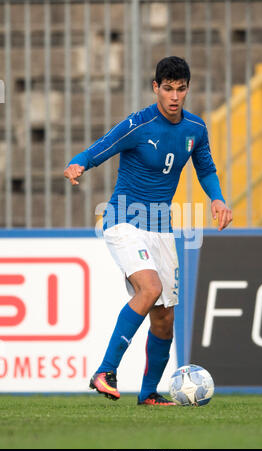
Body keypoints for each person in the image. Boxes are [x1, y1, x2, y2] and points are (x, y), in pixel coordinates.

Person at [64, 56, 232, 406]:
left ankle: (148, 394)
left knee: (164, 320)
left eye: (180, 89)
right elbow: (103, 147)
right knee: (150, 287)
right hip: (123, 220)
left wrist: (217, 199)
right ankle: (105, 371)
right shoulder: (139, 124)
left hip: (161, 230)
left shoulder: (195, 129)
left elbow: (206, 168)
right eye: (167, 88)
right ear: (156, 87)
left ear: (187, 89)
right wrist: (79, 162)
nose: (174, 96)